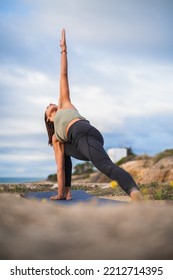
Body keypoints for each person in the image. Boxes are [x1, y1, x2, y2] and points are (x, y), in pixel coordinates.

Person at [45, 29, 142, 201]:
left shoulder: (64, 104)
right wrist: (60, 192)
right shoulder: (56, 138)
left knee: (106, 166)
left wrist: (63, 49)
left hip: (84, 132)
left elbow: (63, 74)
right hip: (82, 140)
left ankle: (135, 194)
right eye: (47, 107)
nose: (50, 104)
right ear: (48, 119)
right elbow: (60, 166)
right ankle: (65, 192)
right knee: (65, 153)